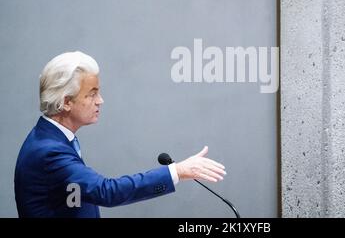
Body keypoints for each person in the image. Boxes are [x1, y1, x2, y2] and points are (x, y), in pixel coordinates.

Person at [14, 51, 226, 218]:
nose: (100, 101)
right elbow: (106, 191)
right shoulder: (49, 151)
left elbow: (74, 198)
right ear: (66, 102)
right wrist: (177, 171)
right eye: (92, 94)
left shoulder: (53, 138)